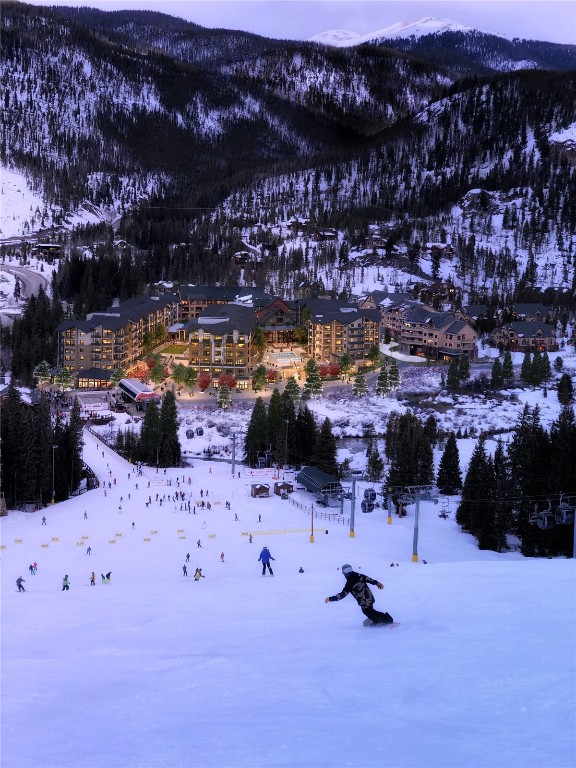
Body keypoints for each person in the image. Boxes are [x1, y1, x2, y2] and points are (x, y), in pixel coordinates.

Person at [325, 564, 393, 625]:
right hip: (370, 598)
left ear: (344, 573)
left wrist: (330, 598)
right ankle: (376, 620)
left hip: (364, 602)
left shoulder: (349, 583)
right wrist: (377, 583)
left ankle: (387, 619)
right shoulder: (358, 575)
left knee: (369, 613)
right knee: (370, 611)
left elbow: (342, 594)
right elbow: (368, 579)